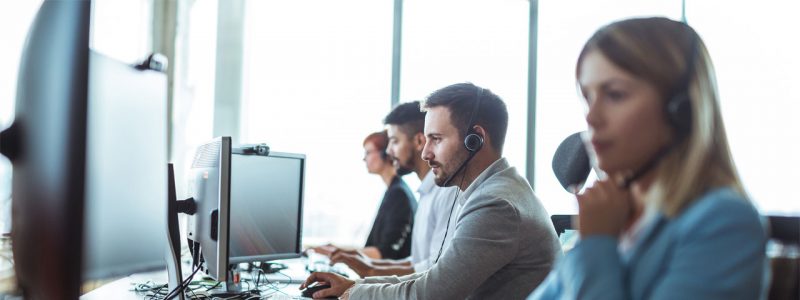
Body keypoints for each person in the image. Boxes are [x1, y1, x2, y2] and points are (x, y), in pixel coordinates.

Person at [529, 17, 767, 299]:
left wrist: (595, 245)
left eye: (615, 95)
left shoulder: (724, 223)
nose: (591, 117)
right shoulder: (614, 212)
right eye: (587, 97)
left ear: (681, 110)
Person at [301, 83, 560, 299]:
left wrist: (354, 294)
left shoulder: (496, 205)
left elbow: (433, 293)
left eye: (436, 139)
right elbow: (435, 277)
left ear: (476, 139)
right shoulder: (495, 190)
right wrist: (355, 286)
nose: (425, 153)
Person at [330, 101, 457, 277]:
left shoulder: (445, 193)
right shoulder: (425, 193)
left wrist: (361, 281)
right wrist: (366, 266)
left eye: (395, 141)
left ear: (419, 141)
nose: (388, 151)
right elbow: (418, 263)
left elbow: (434, 272)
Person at [313, 131, 417, 260]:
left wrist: (336, 252)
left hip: (391, 276)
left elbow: (384, 253)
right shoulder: (393, 190)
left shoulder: (398, 194)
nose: (364, 158)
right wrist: (337, 249)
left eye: (368, 152)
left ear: (386, 153)